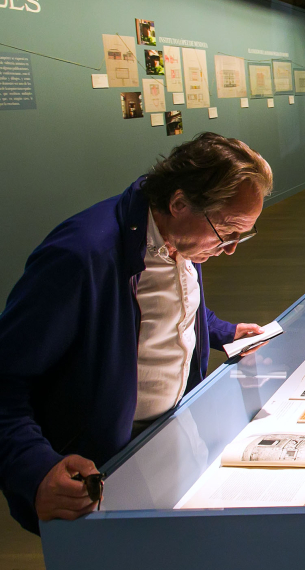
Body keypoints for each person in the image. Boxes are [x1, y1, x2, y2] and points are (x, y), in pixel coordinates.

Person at [0, 133, 273, 534]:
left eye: (242, 234)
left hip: (170, 436)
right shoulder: (81, 257)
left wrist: (220, 330)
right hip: (106, 463)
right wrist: (34, 467)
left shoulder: (183, 237)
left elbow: (168, 307)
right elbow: (7, 377)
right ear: (179, 203)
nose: (230, 248)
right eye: (227, 231)